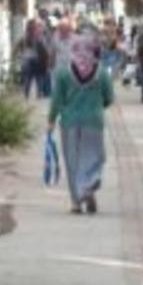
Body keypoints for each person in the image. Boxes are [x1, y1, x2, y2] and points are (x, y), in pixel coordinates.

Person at [49, 35, 115, 214]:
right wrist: (96, 105)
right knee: (95, 157)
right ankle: (88, 187)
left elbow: (57, 100)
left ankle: (76, 202)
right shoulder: (101, 72)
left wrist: (51, 120)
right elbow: (109, 98)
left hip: (69, 122)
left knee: (72, 161)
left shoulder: (63, 72)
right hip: (93, 122)